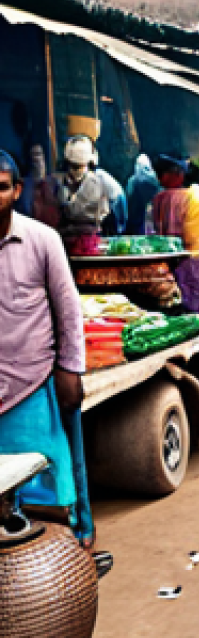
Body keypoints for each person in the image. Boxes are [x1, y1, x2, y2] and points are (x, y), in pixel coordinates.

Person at [0, 149, 95, 547]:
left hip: (34, 379)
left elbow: (68, 307)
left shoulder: (42, 239)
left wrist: (70, 369)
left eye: (1, 187)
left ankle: (72, 542)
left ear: (17, 190)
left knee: (53, 477)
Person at [149, 155, 199, 334]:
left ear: (176, 174)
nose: (159, 179)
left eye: (161, 174)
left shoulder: (187, 198)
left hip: (189, 262)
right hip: (194, 261)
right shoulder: (187, 197)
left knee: (194, 313)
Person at [49, 135, 110, 243]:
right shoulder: (59, 182)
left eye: (79, 166)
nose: (76, 171)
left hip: (88, 240)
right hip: (64, 241)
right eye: (74, 166)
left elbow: (74, 212)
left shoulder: (94, 183)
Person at [91, 144, 126, 235]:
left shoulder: (96, 175)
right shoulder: (99, 173)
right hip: (116, 197)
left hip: (116, 198)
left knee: (117, 227)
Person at [125, 153, 161, 234]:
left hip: (135, 218)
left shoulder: (132, 180)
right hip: (153, 218)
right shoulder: (155, 178)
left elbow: (128, 197)